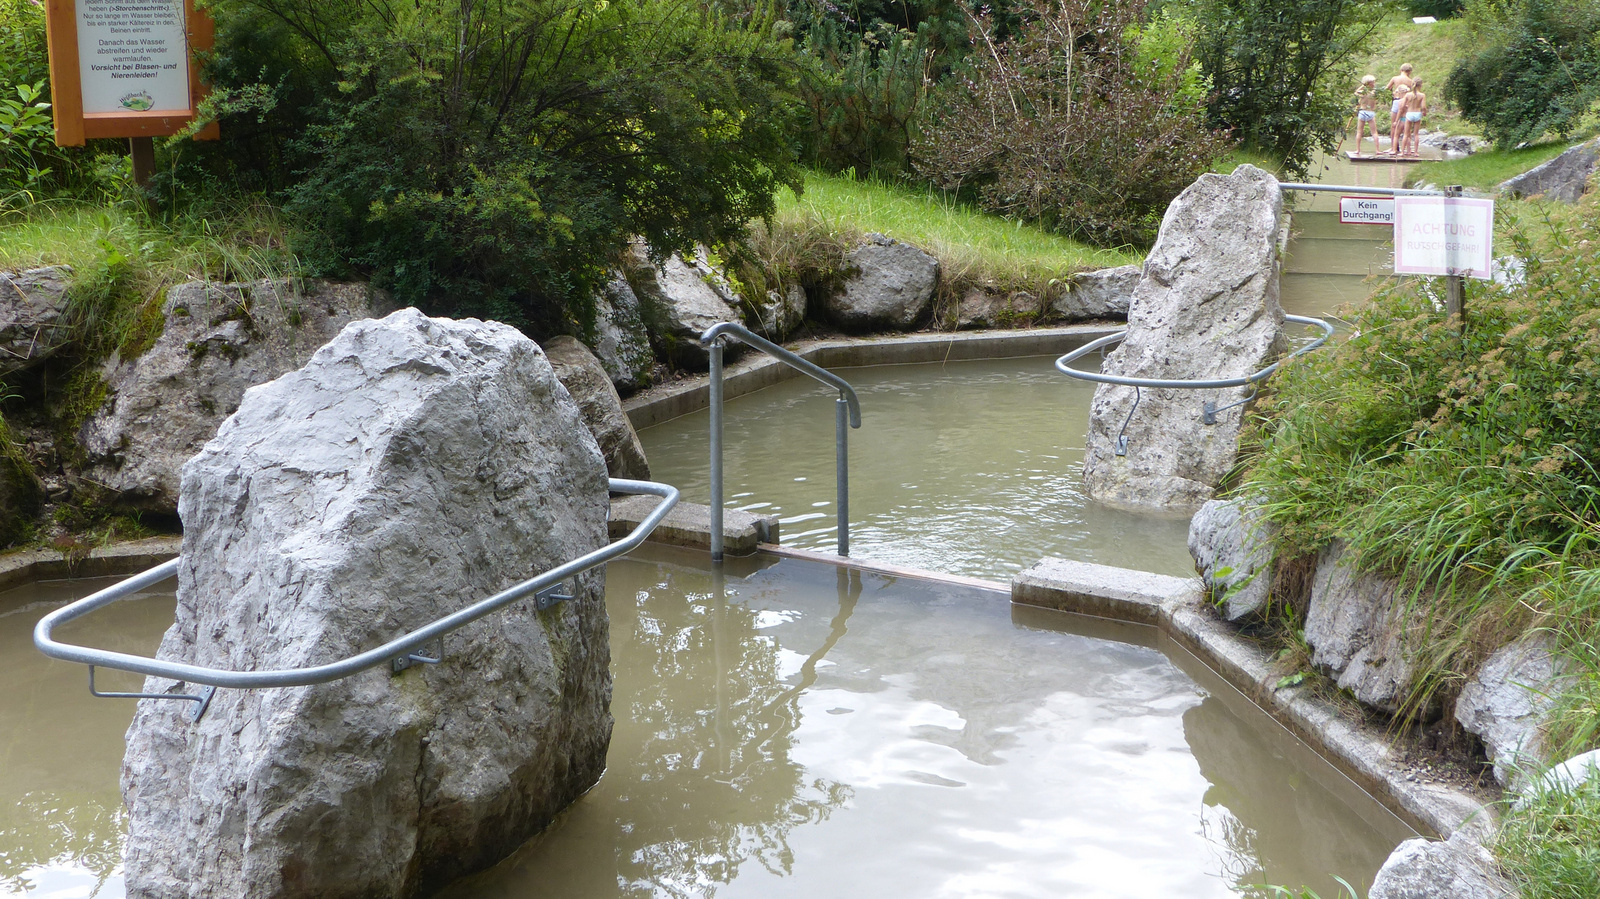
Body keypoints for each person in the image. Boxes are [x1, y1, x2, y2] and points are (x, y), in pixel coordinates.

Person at [1383, 63, 1415, 154]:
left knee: (1394, 125)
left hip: (1396, 101)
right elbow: (1413, 94)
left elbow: (1386, 89)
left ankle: (1394, 148)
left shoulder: (1395, 78)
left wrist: (1392, 93)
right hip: (1406, 102)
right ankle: (1408, 148)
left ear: (1401, 70)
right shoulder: (1411, 81)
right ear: (1409, 72)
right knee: (1407, 126)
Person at [1353, 75, 1380, 156]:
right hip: (1370, 112)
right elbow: (1377, 100)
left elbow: (1356, 92)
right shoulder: (1374, 92)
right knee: (1374, 132)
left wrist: (1363, 85)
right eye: (1373, 82)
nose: (1374, 83)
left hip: (1362, 111)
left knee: (1359, 132)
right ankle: (1377, 150)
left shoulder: (1363, 93)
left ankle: (1358, 150)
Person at [1402, 79, 1427, 157]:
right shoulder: (1422, 95)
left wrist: (1407, 107)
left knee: (1406, 134)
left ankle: (1403, 151)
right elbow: (1423, 106)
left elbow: (1403, 105)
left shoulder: (1408, 95)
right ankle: (1416, 152)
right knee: (1416, 134)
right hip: (1417, 113)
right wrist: (1424, 112)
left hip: (1409, 113)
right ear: (1420, 85)